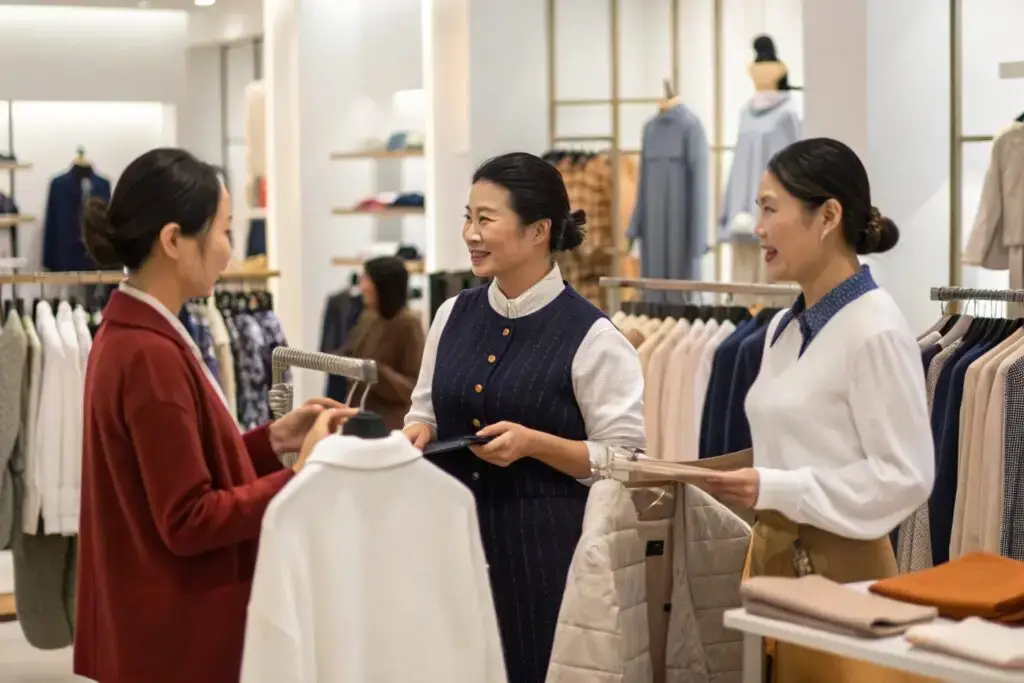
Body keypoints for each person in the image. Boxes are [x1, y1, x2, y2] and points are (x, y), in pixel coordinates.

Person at [74, 148, 353, 683]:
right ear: (173, 240)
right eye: (224, 232)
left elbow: (175, 467)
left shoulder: (137, 333)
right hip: (177, 634)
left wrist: (273, 440)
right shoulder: (149, 353)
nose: (230, 253)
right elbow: (189, 519)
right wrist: (302, 474)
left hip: (158, 623)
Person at [402, 152, 645, 683]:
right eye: (468, 217)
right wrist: (417, 432)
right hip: (452, 549)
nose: (470, 233)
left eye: (486, 219)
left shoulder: (594, 337)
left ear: (538, 231)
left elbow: (626, 462)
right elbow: (424, 410)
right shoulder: (451, 315)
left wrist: (537, 444)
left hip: (545, 560)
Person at [701, 138, 935, 683]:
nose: (758, 228)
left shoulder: (875, 330)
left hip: (839, 570)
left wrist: (778, 487)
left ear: (827, 216)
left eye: (770, 209)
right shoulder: (783, 328)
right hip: (773, 560)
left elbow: (906, 476)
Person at [336, 255, 425, 429]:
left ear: (383, 285)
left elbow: (413, 388)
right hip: (358, 420)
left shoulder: (408, 323)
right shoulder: (368, 318)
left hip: (389, 427)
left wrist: (375, 372)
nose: (362, 287)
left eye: (366, 280)